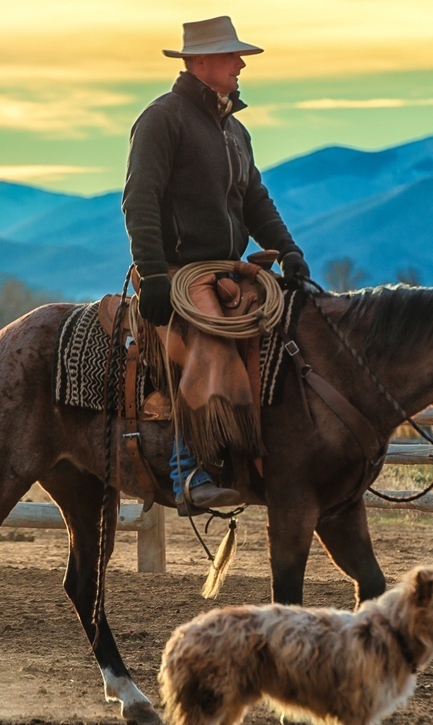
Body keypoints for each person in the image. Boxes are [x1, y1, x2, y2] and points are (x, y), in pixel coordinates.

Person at [122, 15, 311, 511]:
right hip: (180, 271)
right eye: (232, 56)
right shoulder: (162, 119)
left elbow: (256, 202)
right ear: (200, 62)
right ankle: (187, 468)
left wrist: (289, 250)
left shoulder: (235, 131)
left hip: (229, 268)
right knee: (210, 337)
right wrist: (154, 274)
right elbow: (140, 200)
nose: (241, 65)